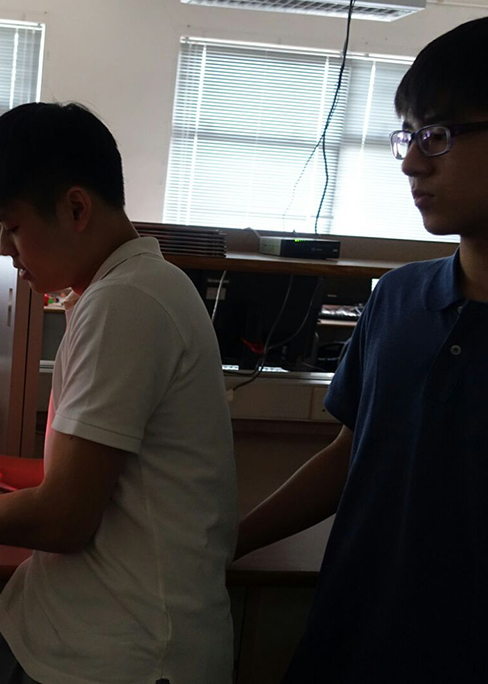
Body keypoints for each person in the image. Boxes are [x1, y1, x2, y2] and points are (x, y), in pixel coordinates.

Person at [0, 102, 238, 684]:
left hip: (121, 658)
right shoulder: (126, 290)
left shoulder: (126, 304)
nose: (5, 249)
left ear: (76, 208)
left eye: (13, 226)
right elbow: (91, 479)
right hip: (75, 632)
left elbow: (65, 519)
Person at [236, 18, 488, 683]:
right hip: (352, 640)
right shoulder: (398, 300)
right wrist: (225, 543)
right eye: (408, 136)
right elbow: (352, 455)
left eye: (438, 135)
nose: (411, 163)